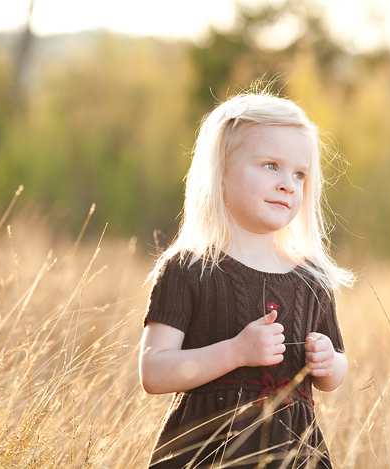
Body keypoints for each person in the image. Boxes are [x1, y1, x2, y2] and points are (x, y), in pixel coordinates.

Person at [139, 90, 354, 469]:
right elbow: (154, 372)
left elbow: (335, 372)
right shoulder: (189, 268)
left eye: (299, 174)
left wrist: (328, 362)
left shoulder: (313, 279)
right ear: (220, 173)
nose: (288, 183)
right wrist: (235, 352)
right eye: (270, 165)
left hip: (294, 454)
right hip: (206, 453)